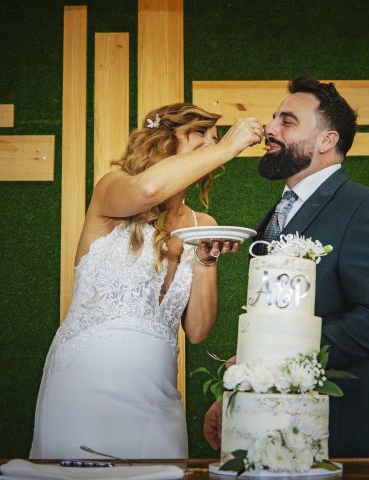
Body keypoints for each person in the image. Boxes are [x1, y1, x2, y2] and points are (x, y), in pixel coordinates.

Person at [30, 103, 264, 459]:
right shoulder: (114, 189)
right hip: (87, 379)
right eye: (198, 134)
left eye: (214, 138)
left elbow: (198, 331)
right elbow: (151, 189)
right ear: (163, 139)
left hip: (159, 392)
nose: (210, 144)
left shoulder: (204, 223)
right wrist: (228, 147)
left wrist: (204, 263)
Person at [203, 77, 369, 457]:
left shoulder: (367, 208)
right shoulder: (279, 213)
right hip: (271, 434)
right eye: (273, 119)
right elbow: (273, 318)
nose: (269, 129)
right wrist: (240, 389)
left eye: (287, 121)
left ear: (326, 141)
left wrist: (271, 357)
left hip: (338, 433)